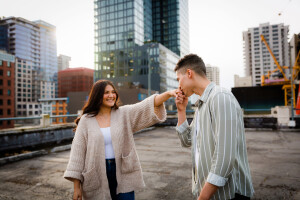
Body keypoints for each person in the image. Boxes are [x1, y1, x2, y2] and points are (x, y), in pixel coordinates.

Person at [64, 80, 176, 200]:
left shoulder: (123, 113)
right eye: (106, 93)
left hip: (123, 170)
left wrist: (168, 94)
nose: (111, 95)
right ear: (97, 95)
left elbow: (147, 105)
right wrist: (77, 187)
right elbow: (77, 154)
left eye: (113, 92)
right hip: (96, 173)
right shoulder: (86, 120)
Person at [174, 54, 254, 200]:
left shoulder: (220, 97)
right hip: (212, 194)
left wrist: (202, 198)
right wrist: (181, 110)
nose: (178, 86)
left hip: (230, 194)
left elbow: (224, 159)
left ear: (189, 73)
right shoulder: (201, 106)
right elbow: (187, 140)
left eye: (179, 79)